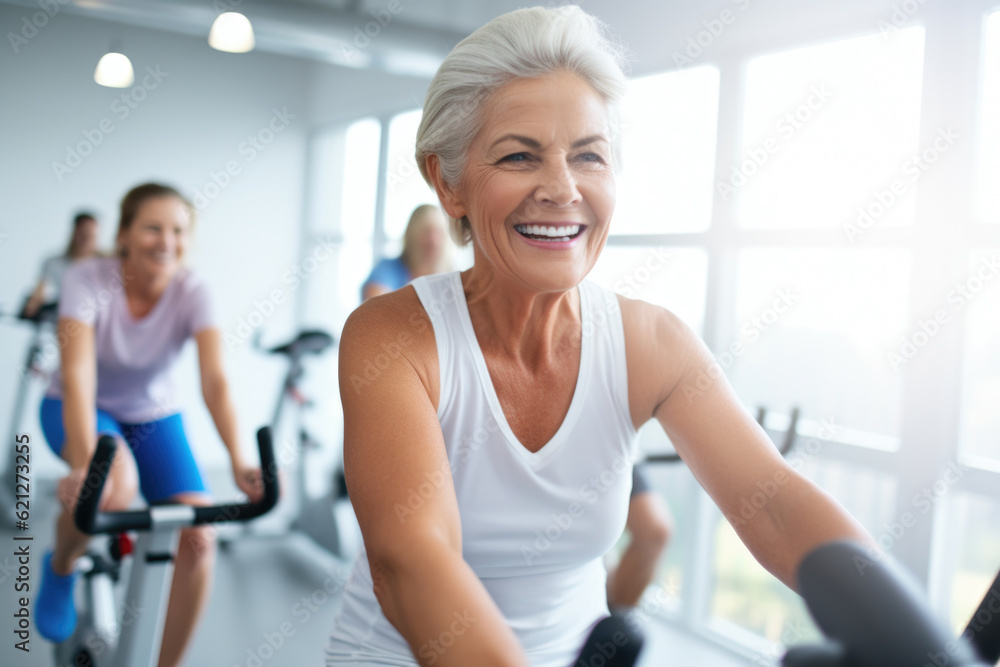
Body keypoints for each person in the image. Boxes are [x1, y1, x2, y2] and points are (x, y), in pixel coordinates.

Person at [326, 6, 876, 667]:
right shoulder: (394, 337)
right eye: (519, 155)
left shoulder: (650, 343)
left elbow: (775, 505)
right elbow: (412, 562)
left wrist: (900, 626)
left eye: (588, 155)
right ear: (448, 182)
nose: (562, 189)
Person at [34, 183, 263, 667]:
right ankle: (61, 566)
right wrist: (80, 461)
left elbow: (215, 381)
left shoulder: (193, 290)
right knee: (108, 487)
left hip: (153, 415)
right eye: (152, 228)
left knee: (200, 536)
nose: (166, 241)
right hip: (75, 405)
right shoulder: (87, 279)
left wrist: (240, 460)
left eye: (178, 230)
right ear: (124, 235)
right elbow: (77, 376)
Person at [361, 204, 451, 301]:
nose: (434, 241)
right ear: (412, 235)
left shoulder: (450, 275)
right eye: (426, 232)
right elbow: (374, 303)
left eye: (439, 232)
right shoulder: (388, 269)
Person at [22, 212, 100, 319]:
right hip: (59, 322)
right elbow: (39, 294)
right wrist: (32, 306)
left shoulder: (105, 265)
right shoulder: (52, 263)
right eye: (83, 234)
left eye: (92, 236)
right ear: (74, 233)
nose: (87, 241)